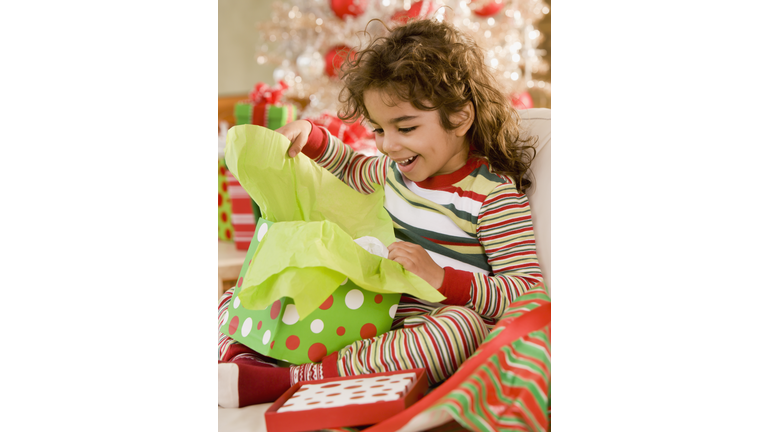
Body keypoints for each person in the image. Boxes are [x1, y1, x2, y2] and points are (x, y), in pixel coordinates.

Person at [218, 17, 544, 408]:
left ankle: (285, 379)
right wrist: (313, 136)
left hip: (427, 325)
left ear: (459, 117)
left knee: (460, 329)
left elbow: (527, 291)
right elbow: (354, 168)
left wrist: (442, 278)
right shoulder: (396, 172)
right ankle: (245, 352)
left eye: (404, 128)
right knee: (236, 295)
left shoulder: (492, 199)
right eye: (377, 130)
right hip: (371, 312)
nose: (388, 145)